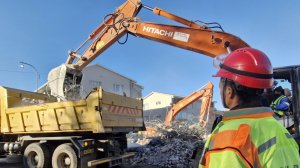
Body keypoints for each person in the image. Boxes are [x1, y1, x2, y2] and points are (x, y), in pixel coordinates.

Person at [199, 48, 300, 168]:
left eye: (221, 86)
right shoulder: (280, 131)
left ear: (229, 91)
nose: (220, 90)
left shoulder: (227, 137)